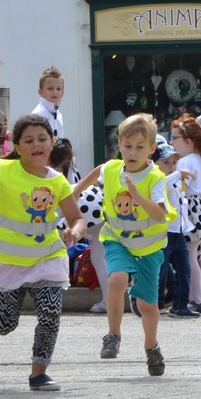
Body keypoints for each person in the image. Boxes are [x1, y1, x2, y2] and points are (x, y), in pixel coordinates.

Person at [0, 115, 86, 390]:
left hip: (46, 257)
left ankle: (38, 373)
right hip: (6, 260)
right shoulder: (4, 173)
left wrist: (75, 232)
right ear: (18, 147)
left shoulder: (57, 182)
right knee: (2, 324)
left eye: (42, 139)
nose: (36, 145)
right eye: (29, 140)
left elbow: (76, 218)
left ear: (52, 143)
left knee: (50, 311)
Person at [78, 114, 170, 375]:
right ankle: (113, 335)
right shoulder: (112, 169)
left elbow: (159, 213)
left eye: (140, 147)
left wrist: (138, 196)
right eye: (128, 146)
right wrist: (73, 191)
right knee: (117, 279)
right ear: (119, 144)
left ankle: (152, 348)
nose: (133, 152)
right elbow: (97, 171)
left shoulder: (155, 177)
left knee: (146, 305)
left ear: (152, 149)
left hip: (149, 248)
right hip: (118, 238)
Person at [171, 114, 201, 314]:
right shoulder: (197, 159)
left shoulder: (186, 162)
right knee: (196, 255)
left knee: (189, 255)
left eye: (175, 138)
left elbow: (181, 187)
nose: (172, 142)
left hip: (189, 207)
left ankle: (196, 297)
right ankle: (198, 295)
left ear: (188, 141)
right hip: (198, 208)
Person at [153, 142, 198, 318]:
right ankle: (155, 304)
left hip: (177, 232)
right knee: (161, 271)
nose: (171, 167)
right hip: (163, 231)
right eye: (166, 163)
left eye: (174, 163)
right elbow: (161, 184)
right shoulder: (157, 180)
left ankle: (180, 305)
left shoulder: (175, 179)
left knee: (184, 269)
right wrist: (179, 173)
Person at [30, 67, 68, 142]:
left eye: (58, 89)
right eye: (50, 88)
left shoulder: (58, 114)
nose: (55, 92)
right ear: (40, 92)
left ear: (62, 93)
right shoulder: (38, 115)